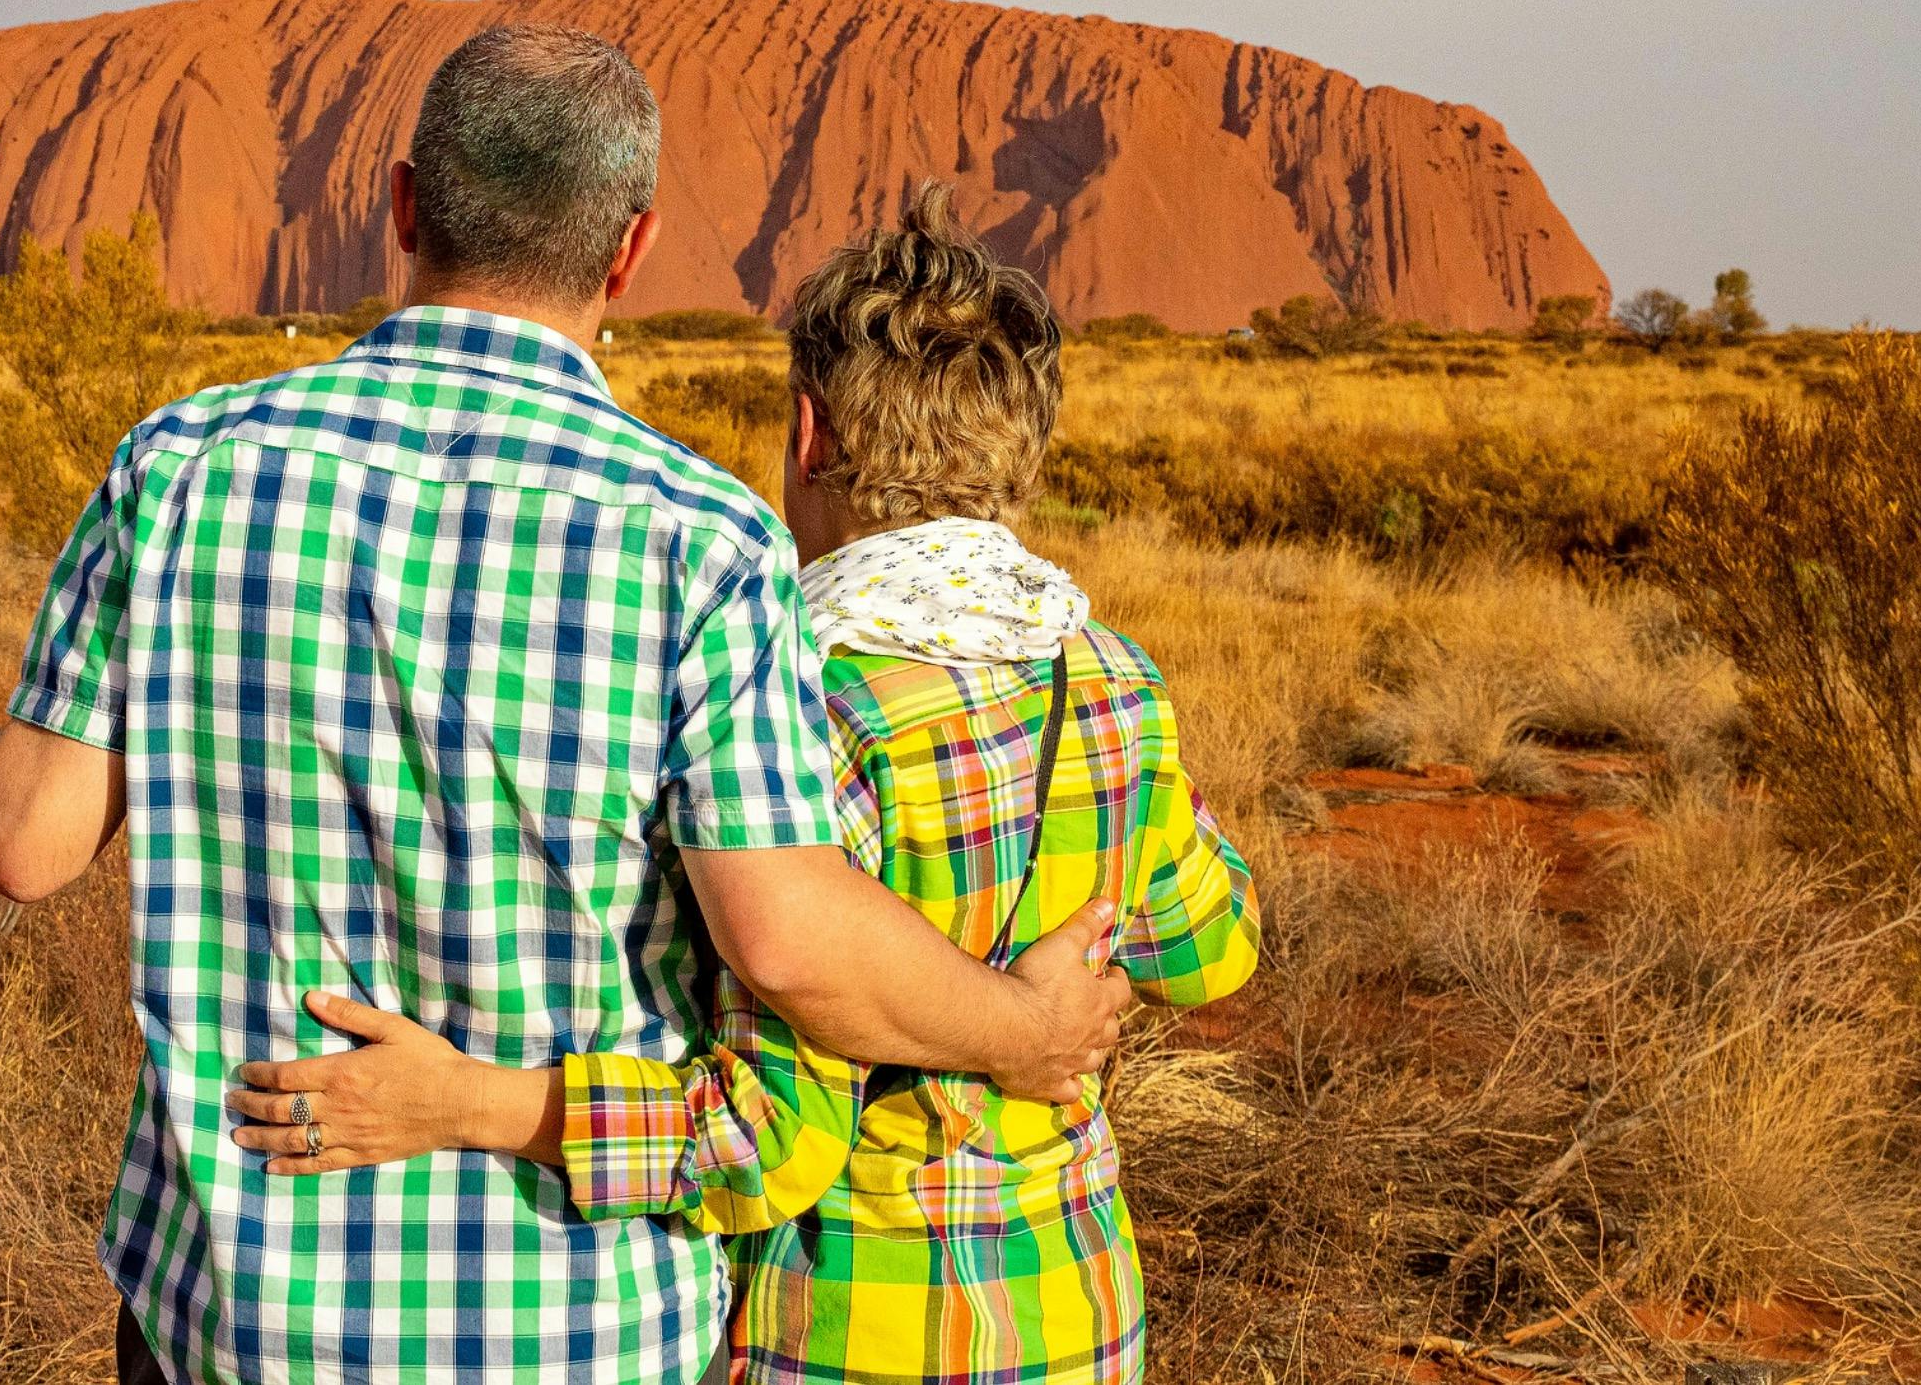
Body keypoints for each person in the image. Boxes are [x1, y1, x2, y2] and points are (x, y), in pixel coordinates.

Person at [0, 33, 1129, 1385]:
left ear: (402, 207)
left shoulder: (182, 469)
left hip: (235, 1324)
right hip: (568, 1334)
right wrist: (1027, 1030)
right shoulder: (701, 536)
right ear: (632, 250)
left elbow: (21, 834)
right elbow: (786, 939)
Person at [226, 185, 1259, 1385]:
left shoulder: (800, 705)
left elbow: (760, 1145)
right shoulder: (1113, 677)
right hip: (1076, 1315)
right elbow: (1211, 949)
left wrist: (468, 1102)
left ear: (810, 435)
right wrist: (1077, 941)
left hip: (848, 1336)